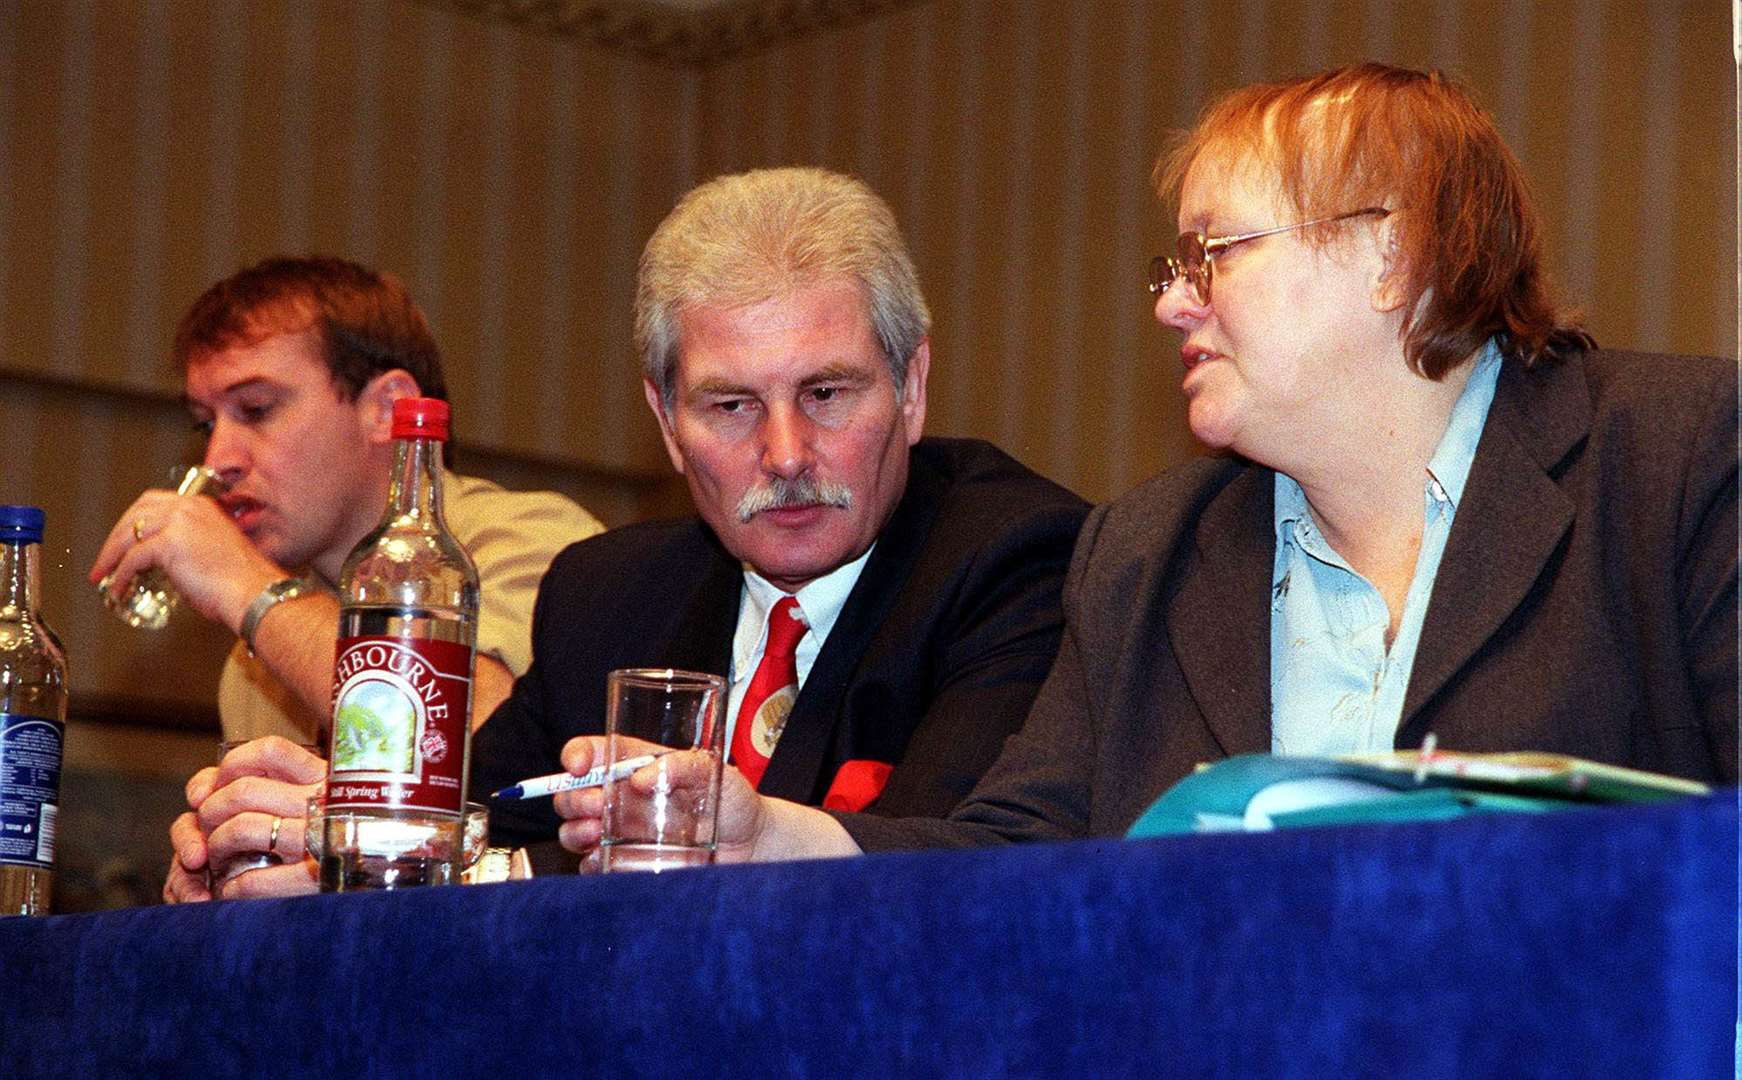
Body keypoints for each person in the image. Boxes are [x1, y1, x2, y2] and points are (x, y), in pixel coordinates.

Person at [551, 63, 1737, 862]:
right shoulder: (1151, 550)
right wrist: (766, 834)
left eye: (1212, 254)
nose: (1174, 305)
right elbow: (1016, 856)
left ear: (1389, 255)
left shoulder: (1676, 466)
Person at [472, 165, 1088, 855]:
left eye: (826, 393)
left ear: (910, 389)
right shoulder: (603, 597)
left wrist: (762, 838)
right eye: (732, 406)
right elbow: (477, 836)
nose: (787, 454)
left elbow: (965, 867)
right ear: (668, 422)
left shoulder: (1021, 562)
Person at [127, 257, 603, 900]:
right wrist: (227, 862)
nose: (217, 462)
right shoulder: (253, 658)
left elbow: (487, 745)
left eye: (257, 409)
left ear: (390, 408)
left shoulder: (537, 544)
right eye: (206, 424)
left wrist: (250, 588)